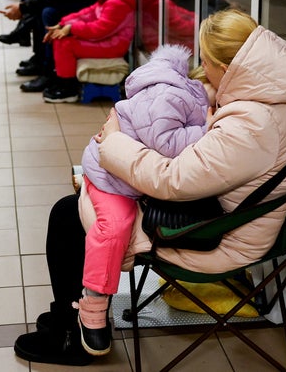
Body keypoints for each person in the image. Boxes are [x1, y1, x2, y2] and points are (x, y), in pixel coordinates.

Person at [13, 8, 286, 366]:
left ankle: (73, 335)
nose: (202, 70)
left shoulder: (252, 126)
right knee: (81, 207)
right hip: (224, 207)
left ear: (228, 67)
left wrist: (113, 142)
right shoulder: (267, 92)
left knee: (69, 215)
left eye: (206, 62)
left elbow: (171, 181)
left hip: (216, 235)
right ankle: (72, 315)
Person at [76, 44, 213, 356]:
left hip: (127, 172)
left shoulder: (179, 91)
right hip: (110, 176)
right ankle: (93, 305)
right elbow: (164, 142)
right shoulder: (175, 95)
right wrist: (208, 129)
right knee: (115, 227)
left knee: (125, 229)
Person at [41, 0, 136, 103]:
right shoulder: (110, 0)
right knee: (61, 39)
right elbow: (87, 13)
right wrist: (62, 24)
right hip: (109, 42)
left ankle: (69, 89)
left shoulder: (117, 4)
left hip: (113, 46)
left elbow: (100, 30)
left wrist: (71, 28)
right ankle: (63, 82)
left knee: (65, 44)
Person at [0, 0, 95, 83]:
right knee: (39, 7)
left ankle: (49, 70)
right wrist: (23, 4)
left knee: (47, 12)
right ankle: (39, 58)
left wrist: (23, 8)